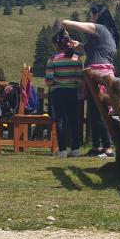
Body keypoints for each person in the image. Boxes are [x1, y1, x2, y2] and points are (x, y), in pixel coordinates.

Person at [61, 5, 118, 157]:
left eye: (91, 15)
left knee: (101, 112)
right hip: (96, 74)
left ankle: (107, 148)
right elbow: (91, 50)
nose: (90, 18)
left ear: (97, 15)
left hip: (100, 75)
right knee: (95, 111)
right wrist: (79, 45)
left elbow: (71, 24)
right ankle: (97, 146)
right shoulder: (105, 33)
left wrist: (65, 24)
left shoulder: (100, 29)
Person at [45, 26, 85, 158]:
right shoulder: (76, 59)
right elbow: (80, 79)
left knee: (60, 121)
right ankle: (75, 148)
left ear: (57, 45)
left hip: (57, 93)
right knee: (74, 120)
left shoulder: (53, 59)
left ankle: (62, 150)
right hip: (72, 92)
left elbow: (49, 81)